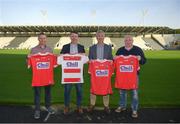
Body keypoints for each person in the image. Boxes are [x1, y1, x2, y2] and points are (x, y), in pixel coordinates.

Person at [115, 35, 147, 118]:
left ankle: (134, 109)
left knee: (134, 93)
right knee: (122, 92)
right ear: (124, 41)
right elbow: (114, 62)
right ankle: (122, 106)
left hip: (134, 76)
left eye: (130, 40)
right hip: (122, 76)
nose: (128, 41)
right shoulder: (120, 50)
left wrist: (140, 59)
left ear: (132, 41)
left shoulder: (138, 49)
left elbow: (144, 61)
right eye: (126, 40)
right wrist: (114, 58)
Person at [28, 32, 55, 119]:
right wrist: (28, 58)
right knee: (37, 94)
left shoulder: (50, 50)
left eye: (44, 38)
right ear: (38, 39)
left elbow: (53, 62)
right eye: (41, 38)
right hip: (38, 77)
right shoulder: (33, 50)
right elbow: (29, 64)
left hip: (47, 76)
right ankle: (37, 110)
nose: (43, 40)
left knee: (48, 93)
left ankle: (48, 106)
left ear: (46, 39)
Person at [60, 32, 86, 115]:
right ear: (70, 37)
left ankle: (79, 106)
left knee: (79, 90)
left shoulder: (81, 47)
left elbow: (84, 58)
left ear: (78, 37)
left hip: (78, 73)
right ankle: (66, 106)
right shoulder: (65, 46)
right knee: (67, 90)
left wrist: (82, 55)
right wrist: (69, 55)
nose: (74, 38)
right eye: (72, 36)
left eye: (75, 36)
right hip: (68, 73)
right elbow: (61, 56)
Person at [88, 30, 113, 114]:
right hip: (95, 71)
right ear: (96, 37)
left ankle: (106, 105)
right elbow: (89, 59)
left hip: (105, 71)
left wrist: (110, 61)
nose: (100, 37)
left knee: (106, 86)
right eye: (98, 36)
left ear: (104, 37)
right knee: (93, 86)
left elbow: (111, 58)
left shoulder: (108, 47)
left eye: (102, 35)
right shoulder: (92, 47)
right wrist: (91, 61)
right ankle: (92, 104)